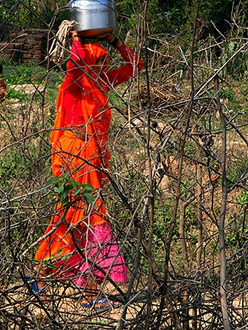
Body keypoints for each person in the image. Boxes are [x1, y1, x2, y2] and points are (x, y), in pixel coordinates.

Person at [34, 30, 144, 309]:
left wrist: (116, 41)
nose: (106, 66)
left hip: (90, 159)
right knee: (85, 216)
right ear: (89, 63)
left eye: (106, 62)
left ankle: (46, 280)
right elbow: (76, 61)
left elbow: (136, 66)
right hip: (72, 155)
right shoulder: (74, 82)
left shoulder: (102, 82)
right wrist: (76, 40)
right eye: (101, 61)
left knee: (74, 216)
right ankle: (86, 291)